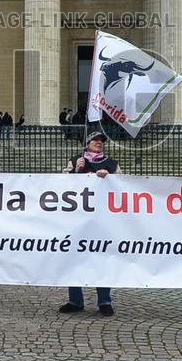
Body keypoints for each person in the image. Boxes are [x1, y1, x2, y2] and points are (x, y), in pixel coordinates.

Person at [60, 131, 119, 317]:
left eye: (102, 140)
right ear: (87, 143)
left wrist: (110, 178)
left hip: (103, 219)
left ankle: (104, 301)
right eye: (95, 140)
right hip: (77, 219)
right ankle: (75, 300)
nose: (99, 143)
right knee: (73, 258)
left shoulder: (111, 164)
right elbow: (61, 187)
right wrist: (76, 171)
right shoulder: (76, 160)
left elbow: (123, 187)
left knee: (102, 258)